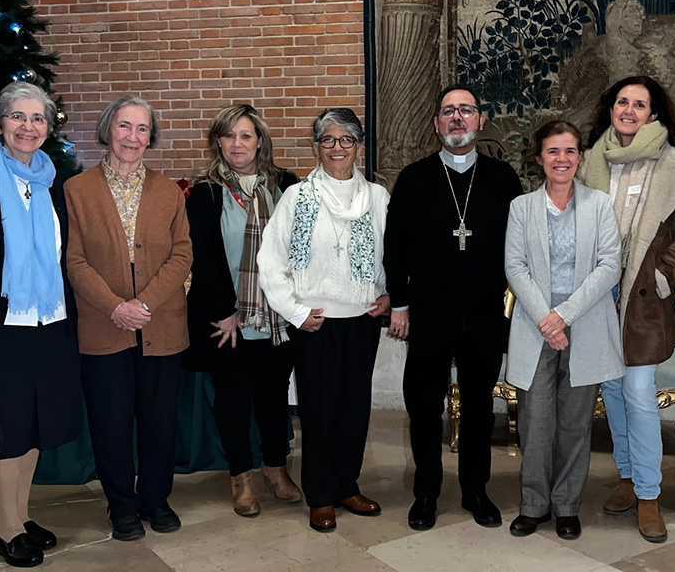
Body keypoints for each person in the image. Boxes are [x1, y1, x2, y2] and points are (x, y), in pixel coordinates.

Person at [384, 83, 523, 531]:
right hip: (427, 313)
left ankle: (475, 490)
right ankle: (426, 492)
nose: (457, 118)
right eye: (448, 111)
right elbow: (395, 248)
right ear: (436, 123)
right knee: (424, 405)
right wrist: (399, 304)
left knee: (480, 407)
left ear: (481, 121)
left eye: (466, 110)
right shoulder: (414, 178)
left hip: (484, 314)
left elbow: (518, 250)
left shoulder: (503, 179)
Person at [577, 75, 675, 543]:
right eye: (622, 102)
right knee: (611, 389)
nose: (629, 110)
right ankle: (628, 478)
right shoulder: (591, 160)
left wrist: (663, 272)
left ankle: (649, 495)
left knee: (637, 391)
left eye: (640, 104)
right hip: (597, 296)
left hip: (643, 299)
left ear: (653, 114)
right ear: (611, 109)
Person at [64, 96, 192, 542]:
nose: (132, 137)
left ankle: (156, 500)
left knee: (159, 422)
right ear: (108, 130)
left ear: (150, 137)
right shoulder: (76, 190)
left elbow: (182, 255)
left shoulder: (168, 191)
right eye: (124, 126)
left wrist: (145, 304)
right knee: (110, 422)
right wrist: (116, 306)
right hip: (104, 326)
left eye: (142, 129)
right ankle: (122, 506)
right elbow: (74, 260)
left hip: (162, 326)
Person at [257, 108, 390, 533]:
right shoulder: (298, 198)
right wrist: (295, 311)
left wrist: (387, 294)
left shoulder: (378, 197)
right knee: (319, 410)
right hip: (315, 321)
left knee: (354, 408)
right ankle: (319, 494)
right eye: (328, 140)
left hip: (361, 318)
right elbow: (271, 258)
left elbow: (390, 252)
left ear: (358, 146)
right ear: (316, 147)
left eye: (346, 139)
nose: (337, 148)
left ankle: (346, 485)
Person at [504, 120, 624, 540]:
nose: (562, 159)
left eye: (570, 151)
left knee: (575, 423)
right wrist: (547, 320)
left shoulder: (599, 205)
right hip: (536, 329)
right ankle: (534, 504)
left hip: (584, 326)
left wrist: (564, 316)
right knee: (535, 422)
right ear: (540, 158)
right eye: (553, 151)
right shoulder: (521, 208)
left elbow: (610, 265)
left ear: (580, 157)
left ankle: (567, 505)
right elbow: (514, 267)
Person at [183, 104, 301, 517]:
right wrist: (225, 311)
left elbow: (299, 249)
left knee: (273, 397)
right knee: (233, 399)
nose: (237, 144)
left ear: (260, 141)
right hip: (229, 319)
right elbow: (204, 256)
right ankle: (241, 477)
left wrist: (295, 305)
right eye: (229, 135)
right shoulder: (206, 192)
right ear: (218, 141)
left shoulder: (285, 185)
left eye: (246, 135)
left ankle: (275, 467)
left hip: (278, 318)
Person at [0, 82, 83, 567]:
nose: (28, 127)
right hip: (3, 319)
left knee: (36, 421)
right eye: (17, 117)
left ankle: (20, 515)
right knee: (9, 424)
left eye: (38, 118)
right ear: (0, 123)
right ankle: (4, 527)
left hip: (51, 317)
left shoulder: (53, 181)